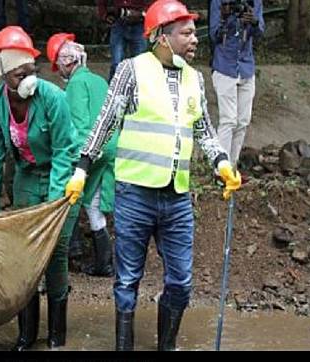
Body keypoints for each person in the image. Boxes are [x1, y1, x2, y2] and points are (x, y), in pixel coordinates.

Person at [65, 0, 242, 351]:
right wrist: (82, 169)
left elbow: (205, 130)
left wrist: (222, 163)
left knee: (181, 281)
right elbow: (105, 122)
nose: (195, 39)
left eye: (194, 32)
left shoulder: (194, 78)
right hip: (135, 195)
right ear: (162, 36)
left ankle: (167, 347)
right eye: (186, 33)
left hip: (176, 197)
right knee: (127, 280)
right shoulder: (131, 70)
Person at [0, 26, 79, 350]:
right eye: (18, 73)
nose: (26, 79)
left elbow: (66, 149)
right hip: (25, 177)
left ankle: (56, 334)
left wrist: (53, 206)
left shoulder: (53, 97)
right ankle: (26, 334)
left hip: (61, 179)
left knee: (55, 252)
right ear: (3, 73)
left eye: (30, 71)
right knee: (25, 255)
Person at [46, 33, 117, 277]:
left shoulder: (76, 84)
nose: (59, 72)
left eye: (59, 66)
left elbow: (80, 125)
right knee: (93, 200)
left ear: (67, 62)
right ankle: (103, 262)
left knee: (71, 194)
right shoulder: (98, 80)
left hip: (91, 149)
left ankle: (72, 249)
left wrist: (76, 161)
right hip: (111, 145)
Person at [209, 0, 264, 172]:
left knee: (243, 121)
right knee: (228, 120)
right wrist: (226, 19)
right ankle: (220, 170)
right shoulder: (219, 1)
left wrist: (254, 21)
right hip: (225, 65)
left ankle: (232, 167)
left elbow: (260, 32)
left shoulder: (255, 2)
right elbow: (213, 35)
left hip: (246, 66)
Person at [96, 0, 153, 81]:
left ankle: (138, 89)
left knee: (139, 63)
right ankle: (114, 90)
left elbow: (153, 3)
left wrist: (142, 13)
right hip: (119, 21)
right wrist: (104, 15)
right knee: (116, 63)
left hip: (139, 23)